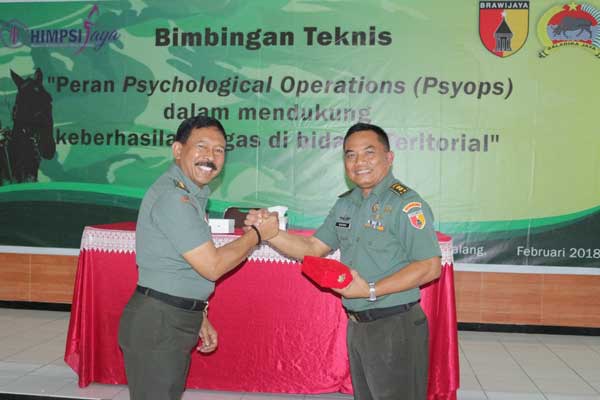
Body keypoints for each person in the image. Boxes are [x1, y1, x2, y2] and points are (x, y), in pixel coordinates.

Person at [247, 122, 441, 400]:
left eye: (369, 153)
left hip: (395, 326)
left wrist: (370, 290)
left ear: (389, 157)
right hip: (359, 326)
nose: (359, 162)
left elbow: (430, 267)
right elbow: (313, 247)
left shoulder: (406, 204)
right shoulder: (346, 204)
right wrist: (273, 234)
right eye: (351, 155)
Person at [118, 116, 279, 400]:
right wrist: (256, 235)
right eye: (201, 147)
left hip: (170, 317)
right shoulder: (174, 198)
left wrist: (198, 314)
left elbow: (184, 264)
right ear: (178, 150)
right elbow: (212, 266)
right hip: (160, 322)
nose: (211, 157)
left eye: (219, 150)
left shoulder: (191, 195)